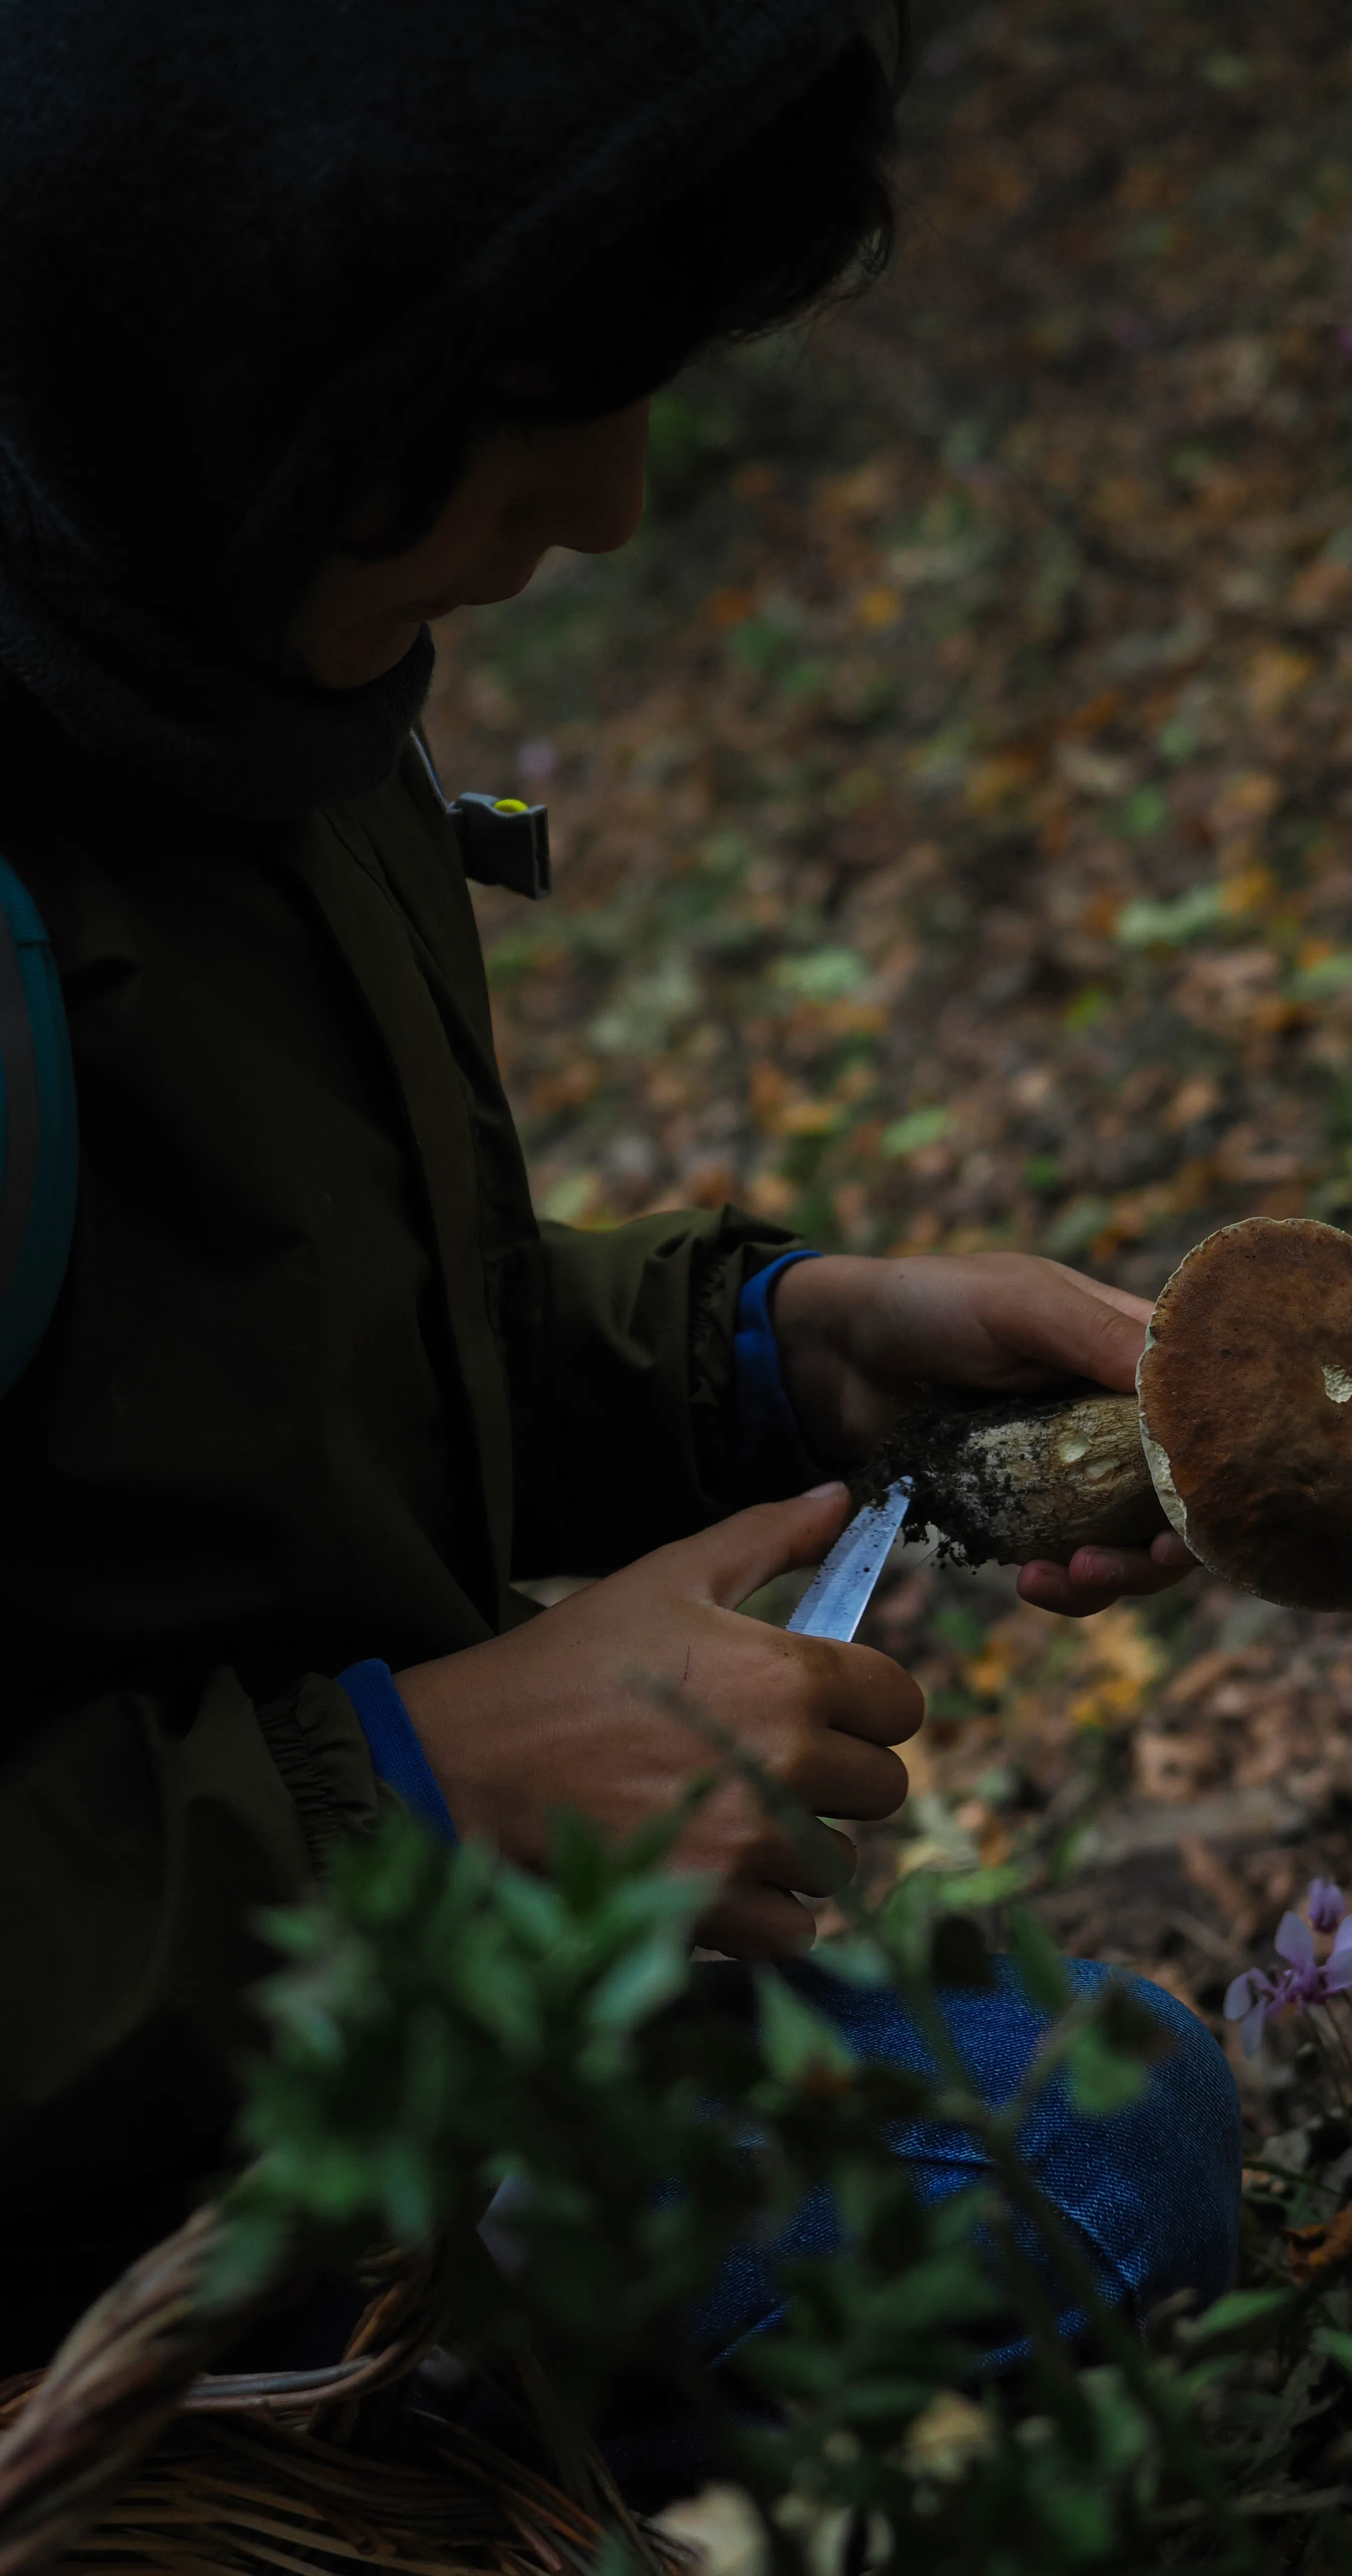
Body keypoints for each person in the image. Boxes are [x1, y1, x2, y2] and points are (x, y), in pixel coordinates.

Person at [0, 0, 1239, 2387]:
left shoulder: (242, 665)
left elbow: (269, 1383)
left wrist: (789, 1360)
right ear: (219, 347)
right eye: (518, 408)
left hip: (315, 2041)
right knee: (1074, 2162)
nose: (610, 505)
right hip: (107, 2219)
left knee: (1081, 2125)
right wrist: (424, 1799)